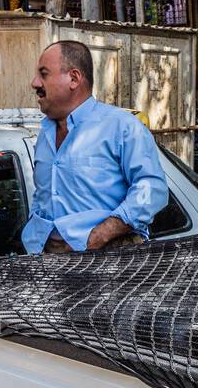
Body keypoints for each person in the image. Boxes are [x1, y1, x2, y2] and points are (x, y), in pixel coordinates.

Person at [23, 40, 167, 253]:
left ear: (73, 78)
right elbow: (44, 195)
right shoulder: (45, 133)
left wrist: (99, 236)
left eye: (43, 74)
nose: (35, 83)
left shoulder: (121, 126)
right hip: (50, 261)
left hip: (108, 258)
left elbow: (152, 188)